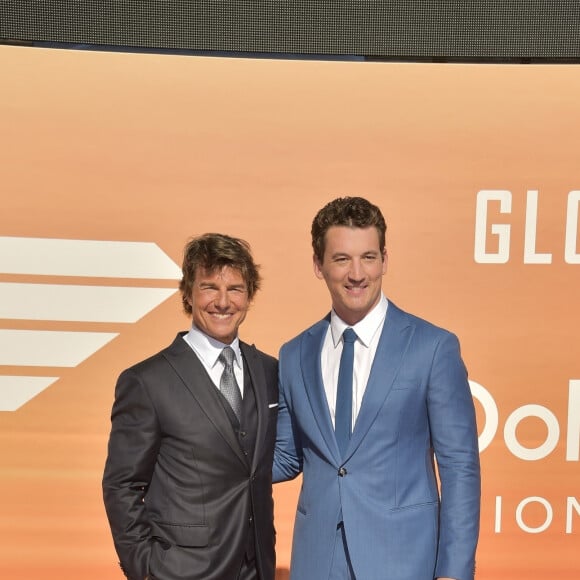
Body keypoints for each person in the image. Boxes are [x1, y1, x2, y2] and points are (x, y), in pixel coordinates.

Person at [273, 197, 480, 580]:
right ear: (318, 265)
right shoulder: (294, 354)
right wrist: (199, 461)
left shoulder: (432, 347)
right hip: (317, 561)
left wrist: (454, 571)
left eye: (368, 257)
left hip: (404, 560)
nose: (357, 274)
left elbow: (459, 468)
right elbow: (286, 457)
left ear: (385, 259)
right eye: (341, 259)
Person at [103, 233, 278, 580]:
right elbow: (121, 485)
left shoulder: (270, 371)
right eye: (210, 287)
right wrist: (147, 567)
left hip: (256, 568)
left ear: (250, 295)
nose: (223, 302)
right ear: (188, 292)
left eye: (236, 289)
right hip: (180, 571)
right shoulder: (147, 381)